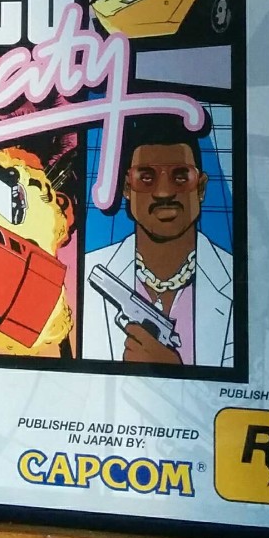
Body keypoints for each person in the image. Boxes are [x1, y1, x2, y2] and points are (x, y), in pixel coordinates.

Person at [82, 116, 233, 367]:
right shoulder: (86, 270)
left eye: (180, 177)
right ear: (126, 188)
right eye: (147, 177)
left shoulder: (235, 280)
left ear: (201, 188)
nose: (164, 192)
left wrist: (175, 373)